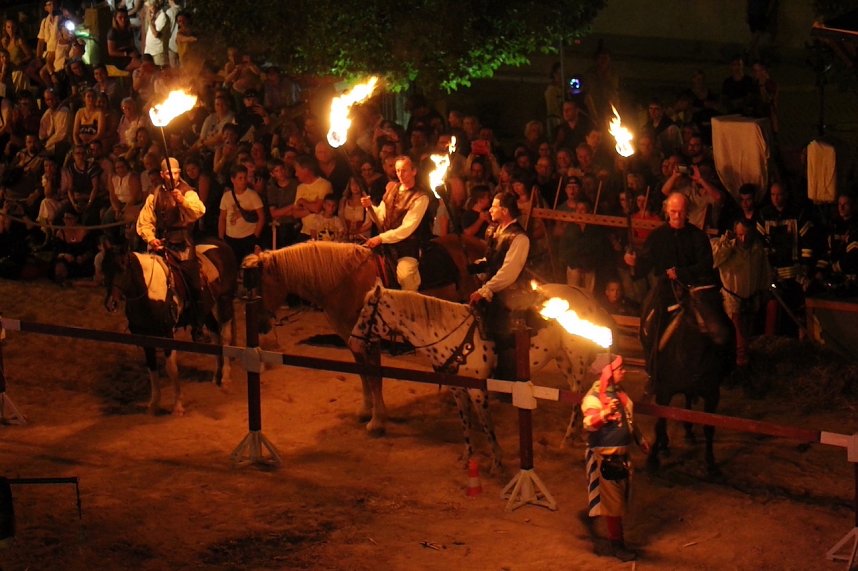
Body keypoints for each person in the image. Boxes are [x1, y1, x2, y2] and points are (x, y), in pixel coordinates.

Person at [581, 354, 649, 563]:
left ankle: (615, 538)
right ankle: (617, 545)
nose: (623, 372)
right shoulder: (593, 397)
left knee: (621, 501)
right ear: (607, 373)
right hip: (606, 459)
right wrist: (604, 414)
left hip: (623, 457)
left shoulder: (619, 393)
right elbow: (589, 423)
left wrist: (639, 438)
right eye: (619, 369)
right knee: (614, 505)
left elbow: (628, 419)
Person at [136, 157, 209, 342]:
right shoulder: (155, 195)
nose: (172, 176)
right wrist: (151, 239)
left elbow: (199, 211)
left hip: (183, 244)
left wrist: (183, 201)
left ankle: (198, 326)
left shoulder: (188, 192)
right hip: (163, 243)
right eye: (168, 173)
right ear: (162, 175)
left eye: (175, 172)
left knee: (194, 283)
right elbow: (145, 221)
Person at [467, 190, 531, 378]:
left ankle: (509, 383)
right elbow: (492, 259)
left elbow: (508, 272)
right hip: (493, 291)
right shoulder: (494, 231)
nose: (490, 210)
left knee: (505, 340)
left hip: (510, 297)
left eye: (494, 207)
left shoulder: (519, 238)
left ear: (504, 211)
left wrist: (486, 289)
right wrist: (475, 267)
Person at [360, 155, 432, 291]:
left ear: (414, 171)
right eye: (398, 170)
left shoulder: (420, 197)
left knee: (405, 276)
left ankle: (411, 305)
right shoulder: (392, 190)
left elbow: (407, 228)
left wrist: (381, 238)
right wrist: (369, 207)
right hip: (386, 246)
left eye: (404, 170)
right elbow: (381, 217)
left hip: (407, 248)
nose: (400, 174)